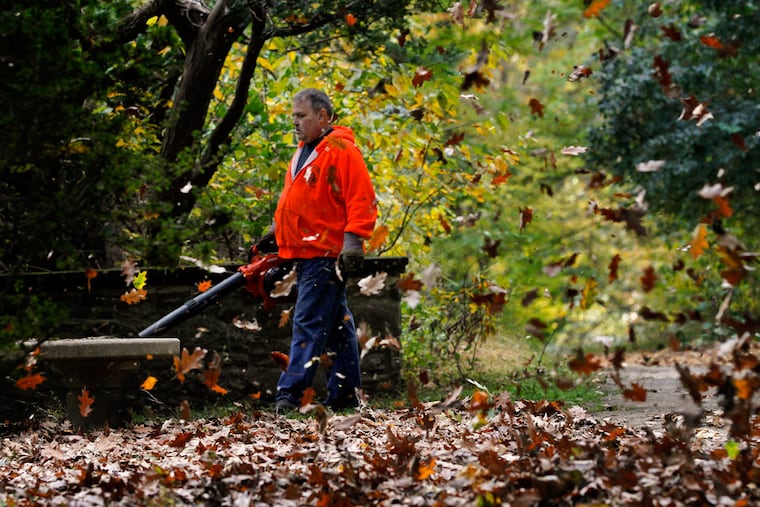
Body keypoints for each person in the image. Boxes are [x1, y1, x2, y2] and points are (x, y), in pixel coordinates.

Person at [255, 88, 377, 413]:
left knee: (307, 323)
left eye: (301, 116)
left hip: (324, 255)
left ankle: (290, 395)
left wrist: (353, 241)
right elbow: (298, 202)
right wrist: (276, 232)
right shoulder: (303, 152)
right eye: (293, 116)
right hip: (305, 254)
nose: (295, 122)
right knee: (337, 327)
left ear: (322, 116)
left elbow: (361, 198)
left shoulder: (341, 151)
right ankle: (346, 393)